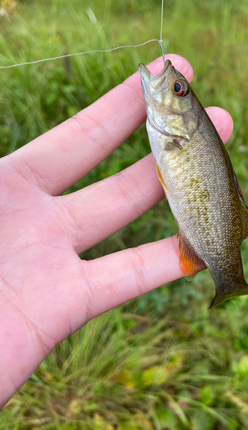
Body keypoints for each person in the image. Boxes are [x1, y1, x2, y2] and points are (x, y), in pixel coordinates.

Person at [0, 54, 233, 408]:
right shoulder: (173, 129)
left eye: (177, 89)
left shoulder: (181, 134)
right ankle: (226, 277)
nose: (173, 86)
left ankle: (229, 278)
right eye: (178, 88)